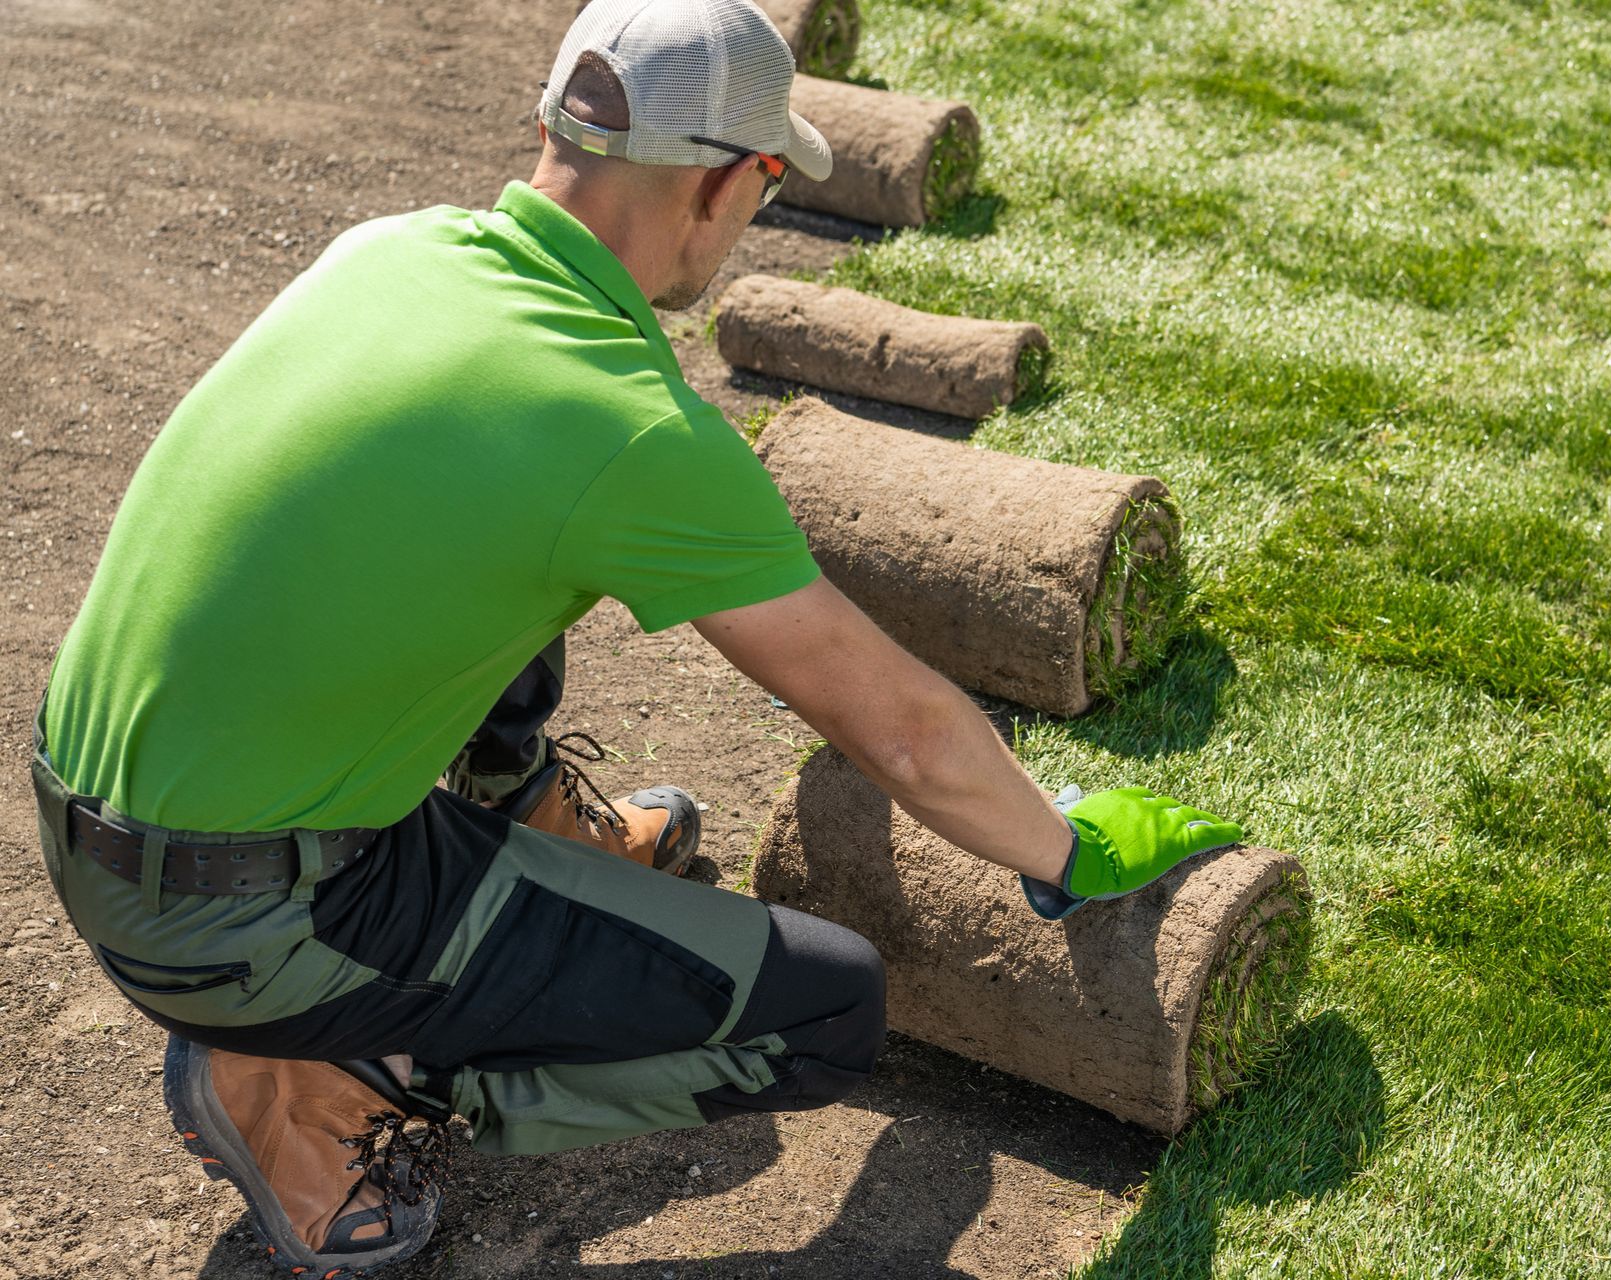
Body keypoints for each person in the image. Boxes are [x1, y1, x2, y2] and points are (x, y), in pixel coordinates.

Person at [26, 0, 1245, 1274]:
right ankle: (335, 1075)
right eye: (769, 184)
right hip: (248, 919)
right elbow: (898, 729)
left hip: (97, 801)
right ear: (729, 182)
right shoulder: (630, 428)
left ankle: (522, 826)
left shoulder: (392, 249)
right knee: (826, 1009)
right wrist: (1063, 847)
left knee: (496, 556)